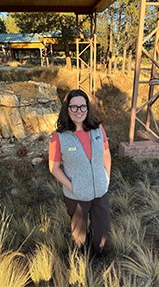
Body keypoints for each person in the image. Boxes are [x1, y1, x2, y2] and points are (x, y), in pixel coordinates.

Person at [49, 89, 111, 255]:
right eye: (74, 107)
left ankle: (98, 253)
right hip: (76, 195)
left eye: (82, 107)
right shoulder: (59, 137)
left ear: (88, 108)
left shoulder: (98, 129)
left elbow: (106, 154)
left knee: (102, 228)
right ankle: (82, 258)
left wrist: (107, 177)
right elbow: (53, 168)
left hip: (100, 190)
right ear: (67, 109)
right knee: (79, 234)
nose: (79, 111)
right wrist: (73, 186)